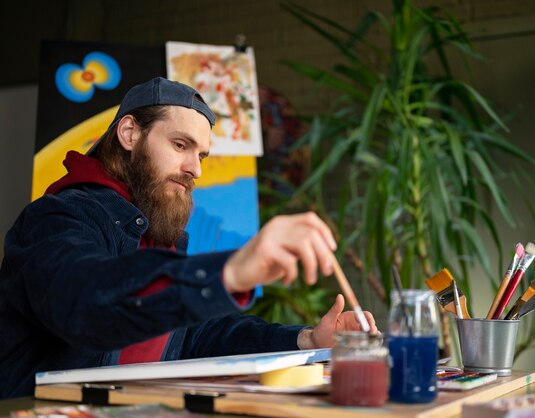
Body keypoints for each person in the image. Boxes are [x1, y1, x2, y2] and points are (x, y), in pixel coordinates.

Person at [0, 77, 377, 399]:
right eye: (180, 145)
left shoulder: (158, 231)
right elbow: (86, 302)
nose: (194, 168)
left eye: (202, 155)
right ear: (130, 133)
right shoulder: (59, 217)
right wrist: (229, 271)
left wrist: (308, 340)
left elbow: (198, 337)